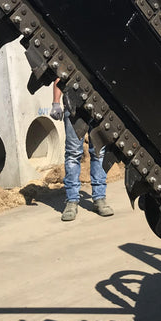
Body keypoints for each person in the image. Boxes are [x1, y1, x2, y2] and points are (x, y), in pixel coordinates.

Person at [51, 83, 114, 221]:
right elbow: (60, 76)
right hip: (74, 106)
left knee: (99, 153)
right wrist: (56, 102)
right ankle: (72, 201)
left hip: (99, 106)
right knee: (73, 154)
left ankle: (99, 198)